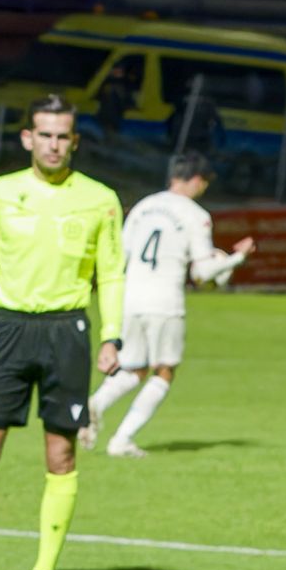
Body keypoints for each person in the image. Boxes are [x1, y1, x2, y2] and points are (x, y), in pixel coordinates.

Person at [0, 95, 123, 570]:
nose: (54, 145)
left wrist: (112, 334)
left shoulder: (100, 199)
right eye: (45, 134)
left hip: (68, 331)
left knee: (61, 455)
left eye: (63, 136)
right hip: (9, 331)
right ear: (28, 138)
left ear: (75, 141)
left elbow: (111, 274)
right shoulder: (0, 194)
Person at [83, 152, 256, 457]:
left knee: (134, 368)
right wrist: (236, 259)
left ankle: (97, 403)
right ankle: (122, 440)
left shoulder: (142, 207)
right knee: (163, 371)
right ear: (198, 181)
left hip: (130, 297)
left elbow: (120, 254)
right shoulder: (196, 215)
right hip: (164, 301)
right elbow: (202, 272)